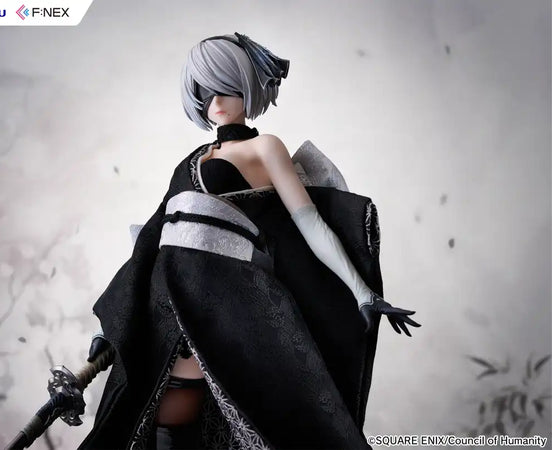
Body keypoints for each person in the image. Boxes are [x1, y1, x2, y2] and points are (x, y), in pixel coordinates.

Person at [78, 33, 420, 450]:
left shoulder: (265, 147)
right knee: (162, 412)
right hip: (171, 305)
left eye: (225, 87)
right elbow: (151, 241)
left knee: (246, 413)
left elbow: (309, 221)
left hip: (233, 302)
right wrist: (113, 323)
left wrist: (361, 290)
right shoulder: (192, 162)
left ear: (246, 85)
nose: (216, 102)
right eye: (204, 93)